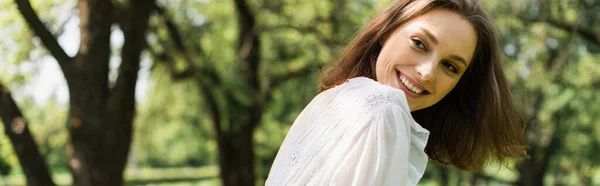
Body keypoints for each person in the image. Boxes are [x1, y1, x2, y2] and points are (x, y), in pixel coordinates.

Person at [266, 0, 528, 185]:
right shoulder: (384, 110)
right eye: (420, 44)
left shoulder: (333, 98)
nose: (427, 72)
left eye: (450, 66)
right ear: (386, 31)